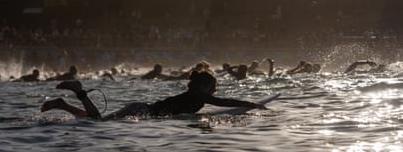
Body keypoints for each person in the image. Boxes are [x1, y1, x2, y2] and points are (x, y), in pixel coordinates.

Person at [41, 70, 266, 120]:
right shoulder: (199, 96)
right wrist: (251, 104)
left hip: (141, 109)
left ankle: (63, 104)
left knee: (95, 121)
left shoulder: (193, 95)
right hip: (142, 111)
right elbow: (221, 102)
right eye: (213, 87)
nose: (214, 92)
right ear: (204, 86)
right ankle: (79, 91)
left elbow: (217, 101)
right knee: (97, 122)